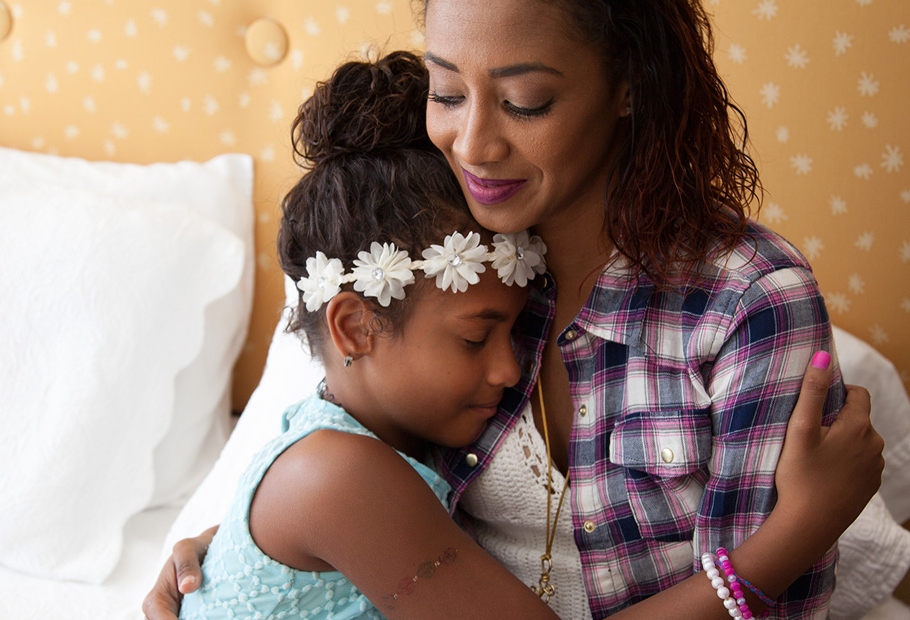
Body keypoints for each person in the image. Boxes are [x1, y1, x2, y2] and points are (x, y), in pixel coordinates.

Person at [146, 0, 888, 616]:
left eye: (525, 101)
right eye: (446, 92)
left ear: (629, 85)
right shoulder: (455, 263)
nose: (471, 145)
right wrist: (248, 559)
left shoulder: (748, 303)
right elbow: (360, 437)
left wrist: (799, 536)